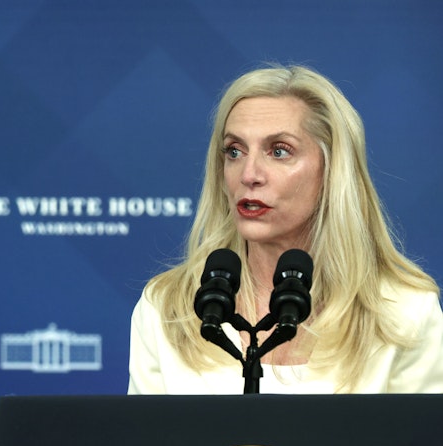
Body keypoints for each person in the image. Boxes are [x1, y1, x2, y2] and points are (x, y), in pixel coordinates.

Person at [128, 64, 443, 395]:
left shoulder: (403, 313)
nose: (249, 174)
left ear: (332, 170)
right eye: (234, 151)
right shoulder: (168, 308)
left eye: (279, 151)